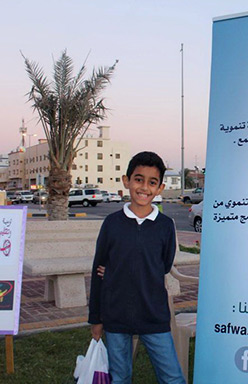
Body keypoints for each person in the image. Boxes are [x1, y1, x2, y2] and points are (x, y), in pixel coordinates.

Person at [88, 151, 185, 384]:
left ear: (160, 188)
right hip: (116, 315)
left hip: (153, 315)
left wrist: (121, 271)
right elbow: (98, 270)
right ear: (127, 181)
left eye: (152, 182)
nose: (144, 187)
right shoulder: (112, 223)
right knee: (120, 376)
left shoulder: (165, 226)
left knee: (172, 377)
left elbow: (163, 265)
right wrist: (96, 318)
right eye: (138, 179)